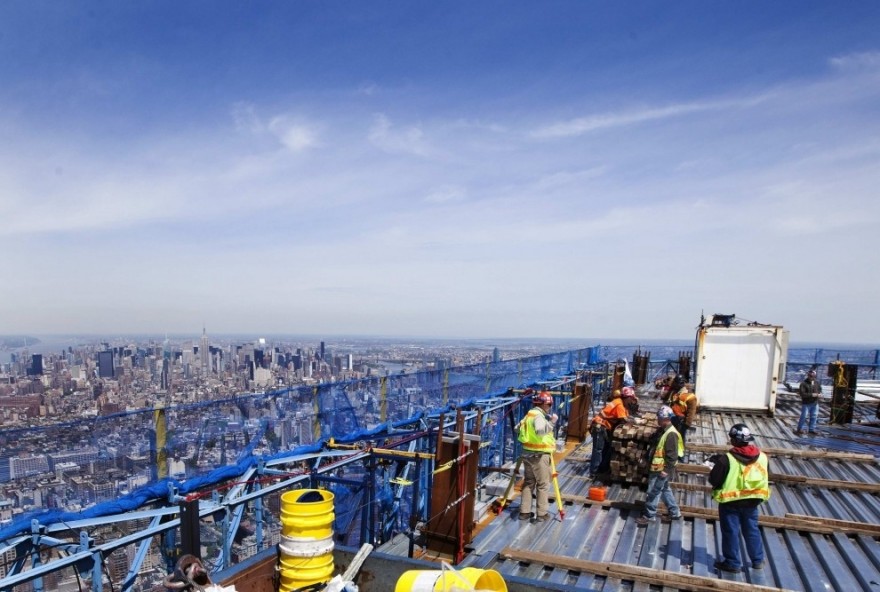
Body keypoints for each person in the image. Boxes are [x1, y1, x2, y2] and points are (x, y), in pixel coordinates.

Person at [708, 423, 770, 573]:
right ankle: (757, 560)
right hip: (752, 501)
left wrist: (713, 468)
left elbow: (714, 480)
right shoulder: (762, 457)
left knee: (731, 531)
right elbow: (765, 475)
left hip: (731, 503)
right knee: (752, 530)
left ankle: (733, 563)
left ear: (734, 440)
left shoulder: (726, 460)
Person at [636, 405, 683, 525]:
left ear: (664, 418)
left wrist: (666, 470)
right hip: (659, 467)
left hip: (661, 469)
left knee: (653, 491)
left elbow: (672, 456)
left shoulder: (671, 434)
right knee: (665, 490)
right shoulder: (663, 430)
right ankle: (675, 513)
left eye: (659, 418)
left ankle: (649, 515)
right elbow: (655, 447)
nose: (657, 420)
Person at [516, 391, 557, 522]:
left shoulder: (529, 415)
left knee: (529, 483)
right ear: (544, 404)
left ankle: (524, 512)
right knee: (543, 484)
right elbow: (540, 431)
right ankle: (542, 514)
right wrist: (552, 423)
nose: (550, 407)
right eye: (549, 404)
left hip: (527, 454)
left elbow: (517, 428)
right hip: (539, 456)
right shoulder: (539, 416)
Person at [588, 387, 633, 478]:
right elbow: (624, 420)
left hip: (604, 427)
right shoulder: (619, 405)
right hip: (600, 426)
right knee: (598, 450)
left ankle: (602, 468)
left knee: (606, 448)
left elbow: (625, 415)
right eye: (631, 399)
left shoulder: (620, 402)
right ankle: (594, 472)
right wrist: (635, 422)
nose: (631, 401)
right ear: (627, 398)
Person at [666, 374, 698, 444]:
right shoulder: (674, 392)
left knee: (679, 439)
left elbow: (691, 412)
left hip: (681, 422)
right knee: (671, 438)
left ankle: (680, 454)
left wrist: (686, 424)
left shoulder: (690, 397)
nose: (675, 385)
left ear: (681, 383)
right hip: (672, 419)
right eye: (675, 383)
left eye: (676, 383)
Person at [796, 369, 822, 435]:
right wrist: (812, 395)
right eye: (810, 376)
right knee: (804, 416)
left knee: (814, 416)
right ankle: (799, 428)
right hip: (806, 403)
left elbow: (820, 390)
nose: (812, 377)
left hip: (815, 403)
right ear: (808, 375)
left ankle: (811, 429)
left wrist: (819, 394)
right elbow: (802, 394)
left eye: (813, 376)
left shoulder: (817, 383)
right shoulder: (803, 384)